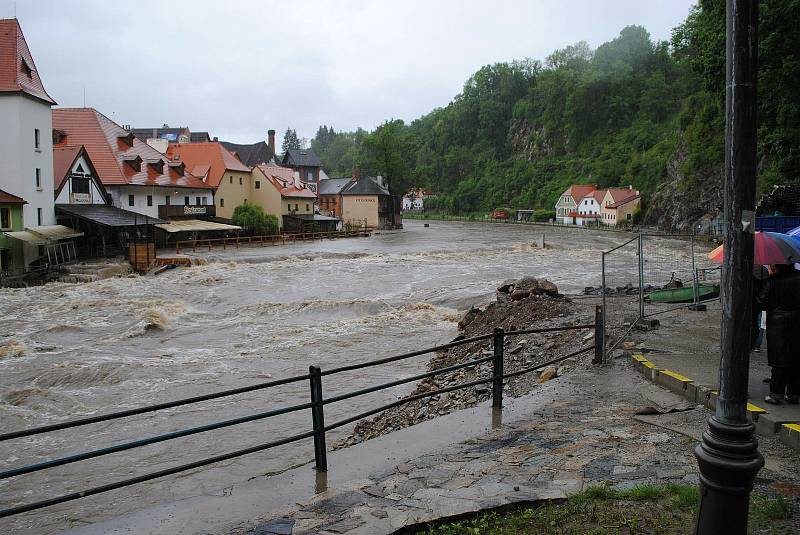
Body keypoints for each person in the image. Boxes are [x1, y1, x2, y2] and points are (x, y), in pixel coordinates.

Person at [757, 264, 800, 404]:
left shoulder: (772, 281)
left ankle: (776, 393)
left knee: (778, 361)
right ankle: (794, 393)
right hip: (797, 322)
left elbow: (762, 302)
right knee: (795, 359)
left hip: (777, 325)